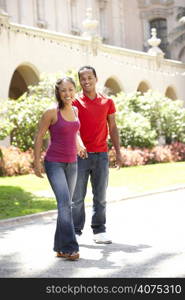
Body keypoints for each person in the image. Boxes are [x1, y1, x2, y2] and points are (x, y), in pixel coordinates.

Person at [33, 76, 86, 260]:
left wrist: (80, 145)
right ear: (58, 92)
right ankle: (71, 248)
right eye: (63, 90)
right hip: (54, 162)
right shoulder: (51, 112)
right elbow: (39, 136)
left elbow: (75, 132)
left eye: (70, 89)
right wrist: (36, 162)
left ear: (74, 90)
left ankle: (60, 247)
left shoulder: (76, 110)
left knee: (65, 205)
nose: (67, 93)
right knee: (65, 204)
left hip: (72, 163)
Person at [72, 66, 123, 244]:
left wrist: (118, 151)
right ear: (79, 81)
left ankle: (99, 231)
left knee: (100, 196)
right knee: (77, 197)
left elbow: (113, 128)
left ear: (96, 78)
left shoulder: (107, 102)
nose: (86, 81)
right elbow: (69, 129)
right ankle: (75, 232)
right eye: (82, 79)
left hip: (101, 155)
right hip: (80, 156)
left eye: (89, 77)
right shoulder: (75, 102)